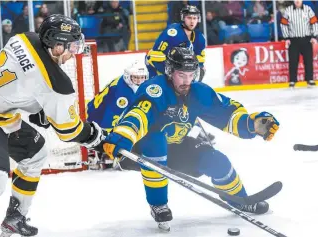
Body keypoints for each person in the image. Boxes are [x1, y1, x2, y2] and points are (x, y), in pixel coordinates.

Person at [0, 14, 105, 237]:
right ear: (57, 46)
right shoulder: (57, 84)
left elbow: (22, 81)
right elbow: (69, 131)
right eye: (72, 46)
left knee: (36, 152)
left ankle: (16, 216)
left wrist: (38, 107)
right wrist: (95, 136)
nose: (74, 53)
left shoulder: (24, 38)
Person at [101, 47, 280, 231]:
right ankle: (158, 204)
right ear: (170, 72)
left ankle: (241, 200)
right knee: (156, 143)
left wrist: (250, 124)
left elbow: (225, 113)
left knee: (217, 160)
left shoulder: (199, 92)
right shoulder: (156, 89)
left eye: (191, 75)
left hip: (177, 147)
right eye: (181, 75)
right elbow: (140, 115)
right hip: (144, 149)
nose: (187, 81)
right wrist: (123, 136)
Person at [145, 5, 206, 80]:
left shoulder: (200, 38)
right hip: (156, 68)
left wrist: (194, 73)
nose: (192, 21)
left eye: (194, 18)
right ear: (183, 18)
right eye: (189, 18)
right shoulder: (172, 33)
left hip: (178, 69)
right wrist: (171, 74)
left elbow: (199, 59)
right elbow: (155, 56)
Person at [280, 0, 318, 88]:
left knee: (308, 60)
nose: (297, 1)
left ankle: (310, 79)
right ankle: (292, 80)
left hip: (306, 39)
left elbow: (314, 23)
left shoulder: (308, 9)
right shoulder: (288, 10)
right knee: (293, 61)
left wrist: (314, 36)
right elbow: (283, 24)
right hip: (293, 40)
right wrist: (286, 38)